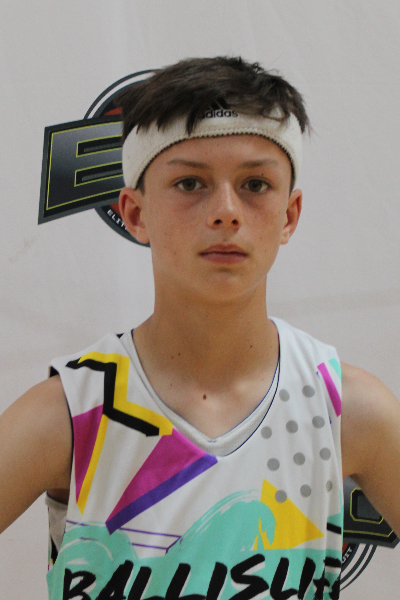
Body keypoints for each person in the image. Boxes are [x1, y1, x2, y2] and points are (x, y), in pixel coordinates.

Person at [1, 56, 400, 600]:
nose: (226, 211)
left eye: (256, 183)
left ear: (289, 215)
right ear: (134, 213)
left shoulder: (348, 409)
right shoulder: (70, 412)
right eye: (190, 182)